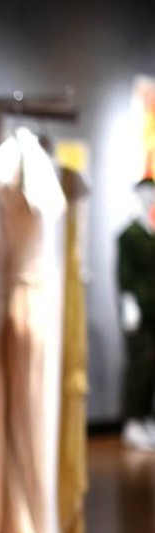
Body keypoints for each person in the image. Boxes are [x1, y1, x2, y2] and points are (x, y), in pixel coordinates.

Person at [118, 177, 155, 450]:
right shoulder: (129, 234)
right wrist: (128, 306)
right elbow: (124, 274)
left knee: (150, 367)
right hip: (139, 310)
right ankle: (133, 420)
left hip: (153, 309)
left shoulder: (150, 232)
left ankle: (144, 418)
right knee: (139, 366)